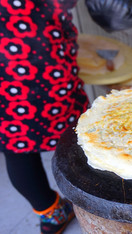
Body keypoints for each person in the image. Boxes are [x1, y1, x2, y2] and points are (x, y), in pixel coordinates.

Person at [0, 0, 89, 233]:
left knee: (16, 147)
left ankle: (51, 212)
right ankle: (93, 201)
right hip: (38, 62)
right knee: (77, 135)